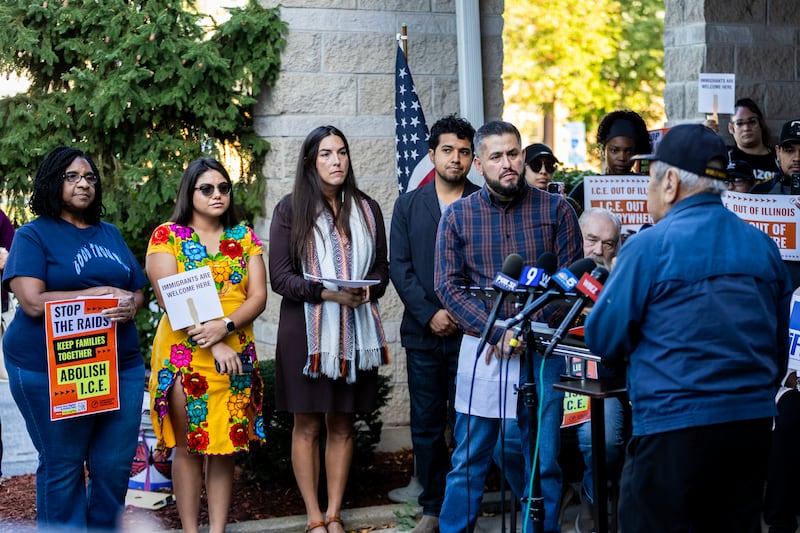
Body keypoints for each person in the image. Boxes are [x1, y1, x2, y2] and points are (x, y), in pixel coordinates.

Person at [585, 124, 791, 532]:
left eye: (651, 176)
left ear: (672, 182)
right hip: (750, 433)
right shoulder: (763, 246)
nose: (646, 187)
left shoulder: (648, 246)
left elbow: (603, 338)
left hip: (673, 431)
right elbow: (778, 345)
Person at [435, 120, 582, 533]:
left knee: (543, 460)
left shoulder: (557, 210)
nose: (508, 163)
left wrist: (525, 330)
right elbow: (447, 287)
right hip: (483, 351)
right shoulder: (458, 217)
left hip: (541, 353)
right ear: (478, 164)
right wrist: (497, 331)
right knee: (470, 457)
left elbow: (567, 284)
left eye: (513, 153)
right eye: (497, 156)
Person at [2, 146, 146, 530]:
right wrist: (100, 295)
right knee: (63, 465)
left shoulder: (110, 234)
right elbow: (32, 301)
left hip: (120, 365)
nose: (84, 183)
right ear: (53, 183)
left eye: (90, 177)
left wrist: (130, 303)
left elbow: (137, 289)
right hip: (50, 367)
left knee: (113, 467)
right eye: (72, 177)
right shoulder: (33, 236)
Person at [269, 125, 389, 533]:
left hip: (353, 332)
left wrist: (364, 292)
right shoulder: (291, 209)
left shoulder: (368, 208)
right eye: (326, 154)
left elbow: (381, 271)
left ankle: (335, 514)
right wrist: (329, 294)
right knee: (307, 424)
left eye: (341, 152)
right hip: (307, 332)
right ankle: (313, 517)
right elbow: (281, 278)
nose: (336, 161)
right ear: (309, 161)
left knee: (341, 422)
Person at [146, 157, 267, 533]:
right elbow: (170, 298)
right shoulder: (168, 236)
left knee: (225, 446)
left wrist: (226, 326)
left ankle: (216, 530)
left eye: (224, 188)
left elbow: (258, 296)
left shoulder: (244, 236)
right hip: (186, 352)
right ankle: (190, 530)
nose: (218, 195)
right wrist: (214, 343)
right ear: (189, 192)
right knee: (189, 446)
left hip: (237, 348)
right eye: (207, 189)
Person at [389, 115, 479, 532]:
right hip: (423, 335)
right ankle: (431, 506)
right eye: (447, 150)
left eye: (463, 151)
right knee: (426, 424)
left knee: (468, 422)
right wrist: (431, 314)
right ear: (431, 155)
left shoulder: (484, 202)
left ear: (472, 158)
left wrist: (460, 315)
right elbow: (400, 267)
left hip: (471, 335)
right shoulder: (409, 205)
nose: (455, 159)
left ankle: (463, 506)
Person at [573, 208, 625, 533]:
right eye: (591, 240)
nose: (598, 251)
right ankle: (539, 496)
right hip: (555, 379)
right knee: (505, 439)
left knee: (603, 440)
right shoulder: (560, 274)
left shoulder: (623, 284)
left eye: (608, 244)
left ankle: (592, 495)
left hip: (602, 385)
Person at [569, 110, 651, 213]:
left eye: (628, 151)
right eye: (614, 150)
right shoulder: (585, 189)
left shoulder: (648, 188)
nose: (622, 157)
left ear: (636, 152)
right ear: (604, 150)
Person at [726, 98, 780, 192]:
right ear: (731, 128)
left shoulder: (779, 157)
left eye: (752, 122)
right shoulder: (725, 156)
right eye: (740, 123)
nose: (746, 128)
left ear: (761, 123)